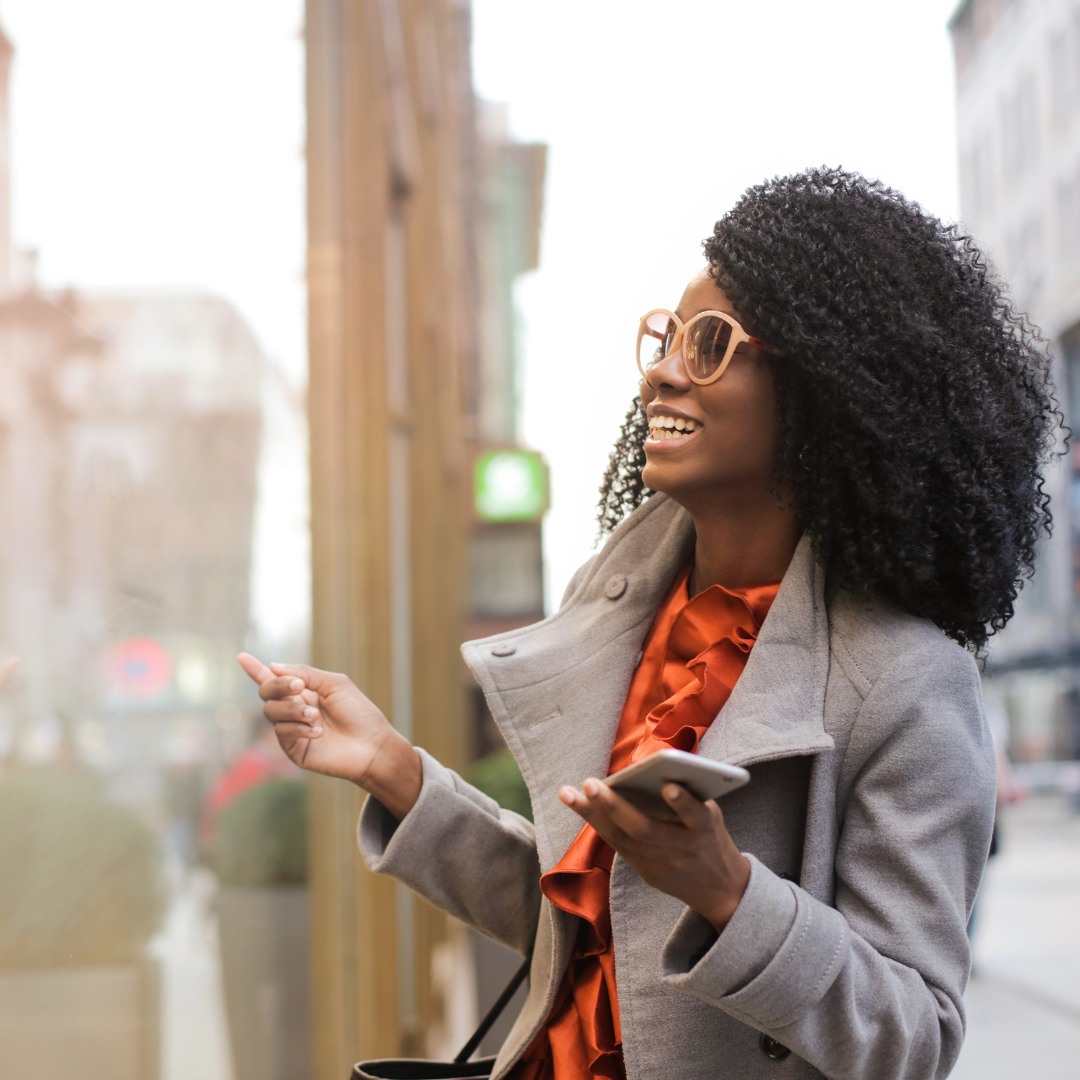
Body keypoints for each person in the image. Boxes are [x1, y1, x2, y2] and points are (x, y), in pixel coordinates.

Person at [240, 168, 1060, 1080]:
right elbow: (592, 926)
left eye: (710, 344)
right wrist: (395, 770)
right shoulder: (624, 609)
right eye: (667, 339)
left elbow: (914, 1036)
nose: (665, 371)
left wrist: (729, 894)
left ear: (827, 393)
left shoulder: (904, 679)